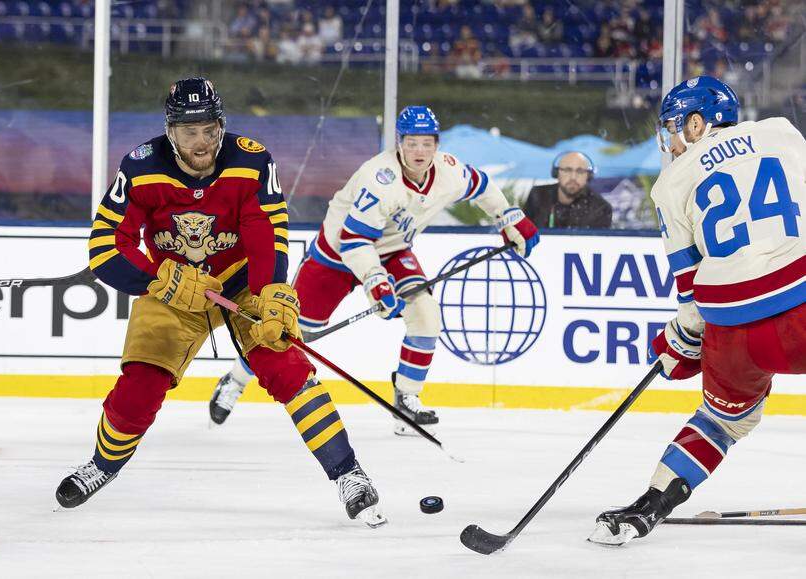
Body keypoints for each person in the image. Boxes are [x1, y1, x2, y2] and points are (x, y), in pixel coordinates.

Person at [55, 78, 386, 527]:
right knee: (140, 384)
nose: (201, 142)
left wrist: (271, 291)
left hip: (240, 283)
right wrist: (158, 278)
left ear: (221, 126)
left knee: (287, 367)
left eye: (209, 130)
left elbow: (265, 230)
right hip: (172, 290)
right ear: (171, 131)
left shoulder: (250, 160)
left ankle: (348, 473)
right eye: (189, 131)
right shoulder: (139, 167)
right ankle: (102, 465)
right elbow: (105, 248)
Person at [208, 105, 540, 435]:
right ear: (399, 143)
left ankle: (406, 398)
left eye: (427, 143)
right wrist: (376, 283)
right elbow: (354, 240)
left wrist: (510, 217)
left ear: (437, 144)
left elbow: (480, 185)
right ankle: (235, 380)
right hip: (336, 255)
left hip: (392, 250)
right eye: (412, 142)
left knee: (425, 312)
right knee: (291, 332)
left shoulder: (448, 171)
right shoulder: (379, 178)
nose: (420, 151)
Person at [589, 76, 806, 546]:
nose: (668, 142)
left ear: (696, 123)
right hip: (802, 305)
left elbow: (691, 295)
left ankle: (649, 507)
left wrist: (679, 344)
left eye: (671, 128)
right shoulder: (783, 134)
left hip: (734, 331)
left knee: (720, 421)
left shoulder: (670, 185)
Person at [522, 151, 612, 229]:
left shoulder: (601, 208)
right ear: (556, 173)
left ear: (588, 176)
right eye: (567, 170)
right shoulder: (538, 195)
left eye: (580, 171)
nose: (573, 177)